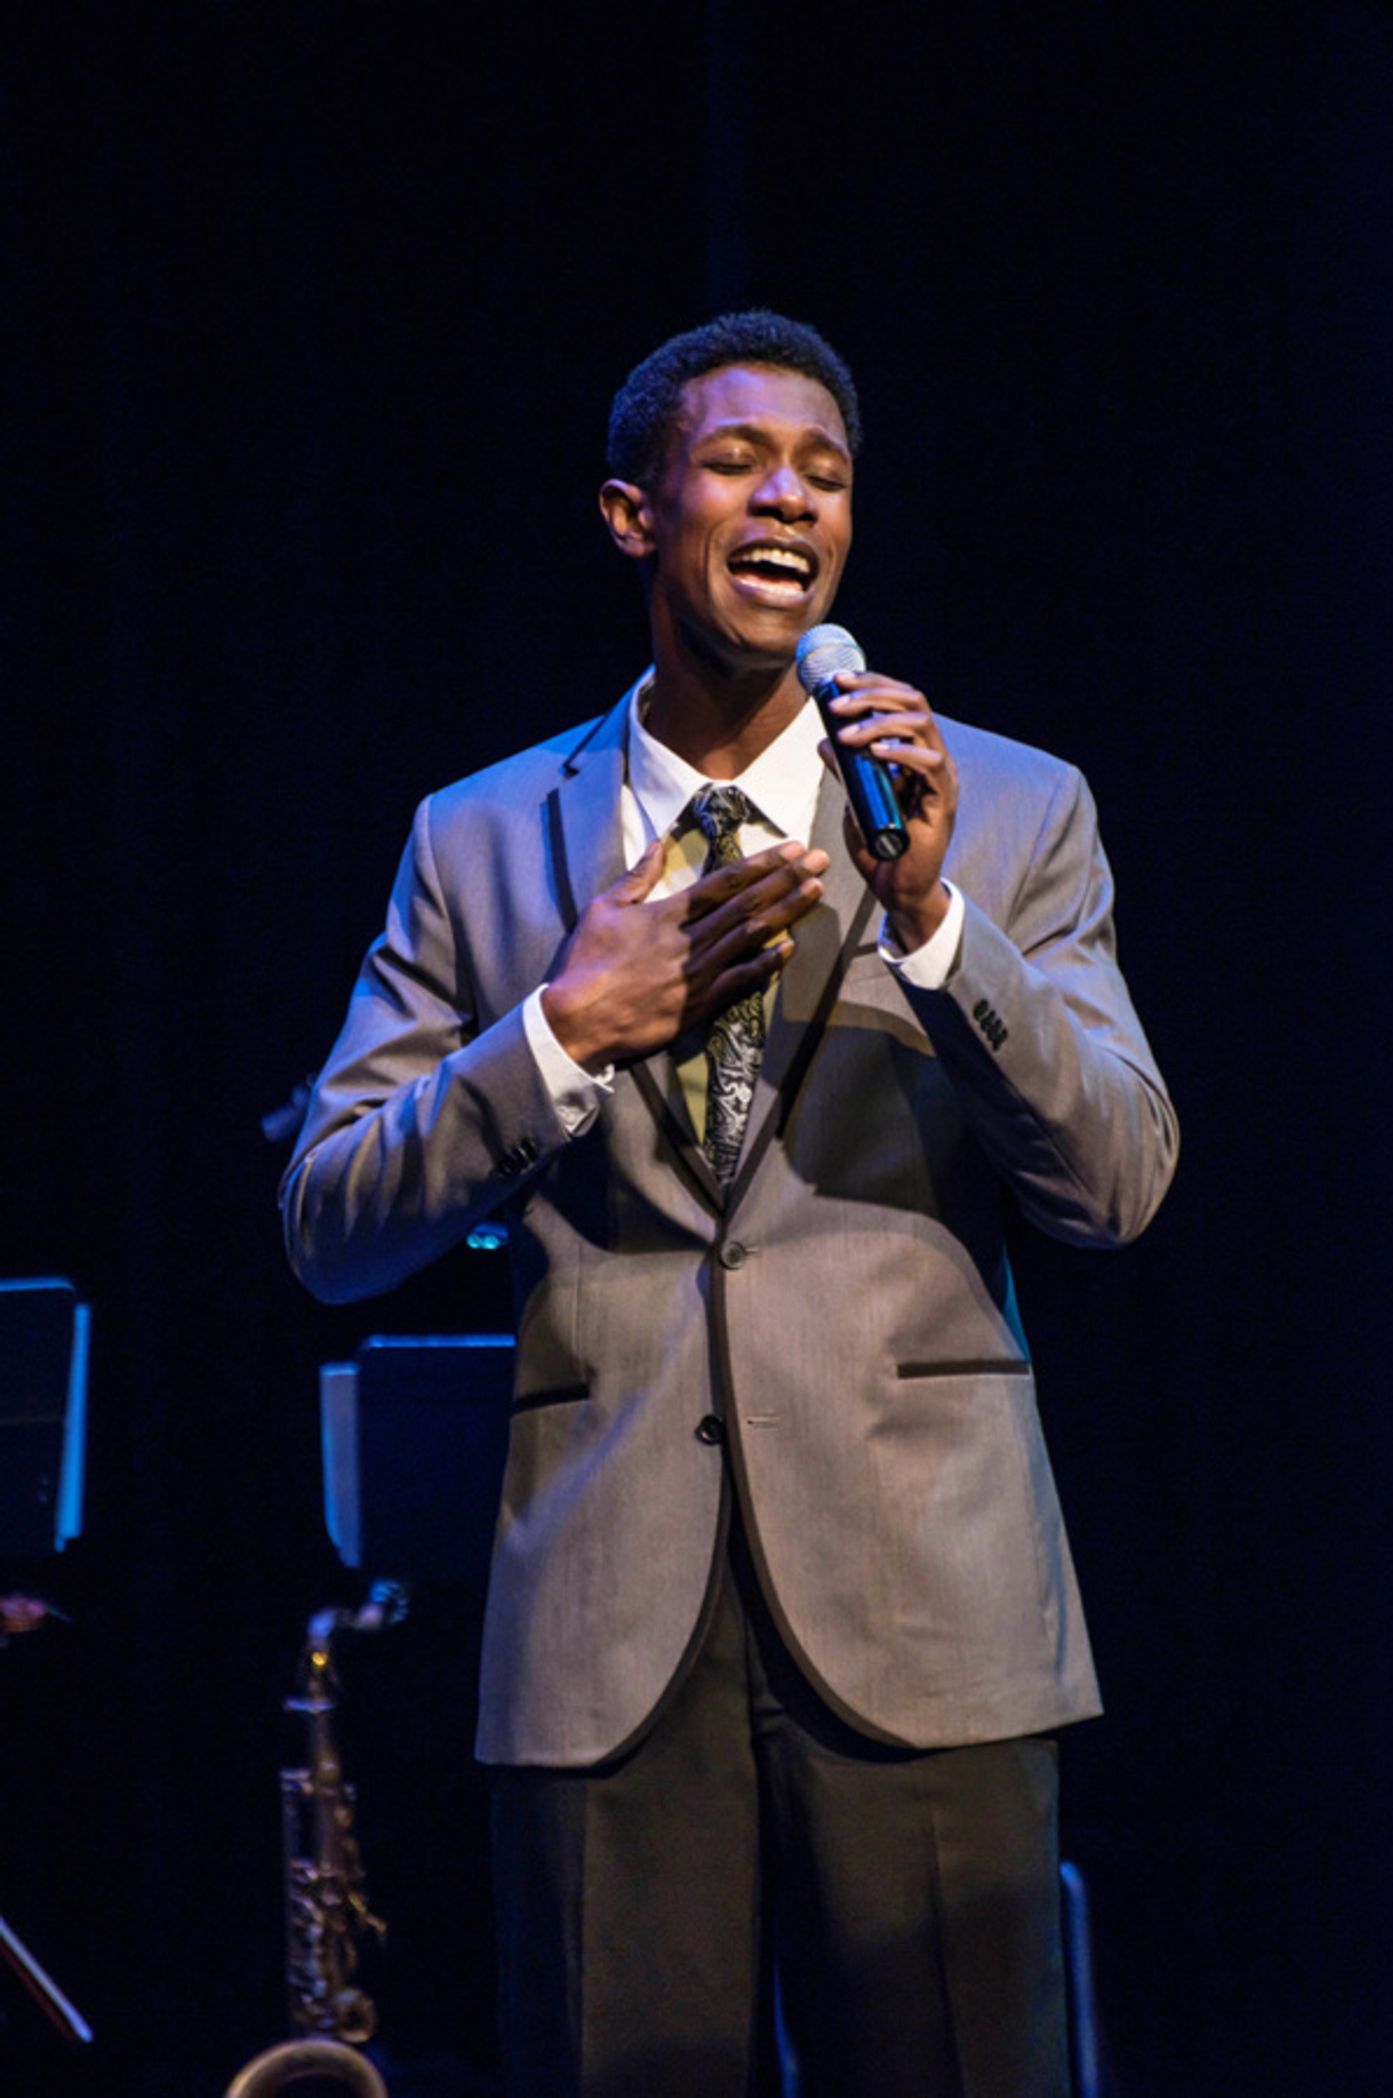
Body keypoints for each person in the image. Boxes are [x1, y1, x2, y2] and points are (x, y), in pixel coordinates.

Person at [281, 310, 1178, 2098]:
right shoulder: (476, 840)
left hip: (931, 1602)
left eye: (827, 474)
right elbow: (331, 1218)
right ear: (632, 514)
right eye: (740, 460)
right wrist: (554, 1031)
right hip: (607, 1630)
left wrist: (933, 923)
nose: (791, 499)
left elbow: (1120, 1182)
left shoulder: (1000, 809)